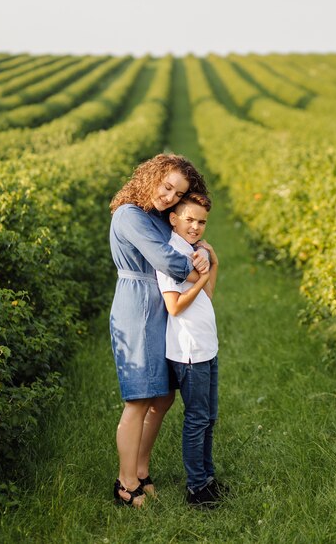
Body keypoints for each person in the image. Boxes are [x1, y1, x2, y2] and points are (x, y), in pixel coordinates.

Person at [109, 154, 210, 508]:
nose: (169, 196)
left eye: (177, 192)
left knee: (163, 396)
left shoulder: (155, 216)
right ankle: (125, 483)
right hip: (137, 307)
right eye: (166, 186)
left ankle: (140, 468)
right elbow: (166, 259)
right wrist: (201, 270)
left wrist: (202, 250)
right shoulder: (129, 215)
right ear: (150, 177)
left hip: (163, 310)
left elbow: (183, 240)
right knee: (138, 398)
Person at [155, 192, 226, 508]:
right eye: (190, 220)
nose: (196, 227)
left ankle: (208, 479)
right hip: (188, 352)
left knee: (209, 416)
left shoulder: (194, 250)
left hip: (205, 346)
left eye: (202, 221)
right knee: (197, 419)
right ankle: (197, 488)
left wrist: (213, 264)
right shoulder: (170, 255)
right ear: (174, 218)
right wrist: (200, 278)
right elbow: (174, 307)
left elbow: (207, 295)